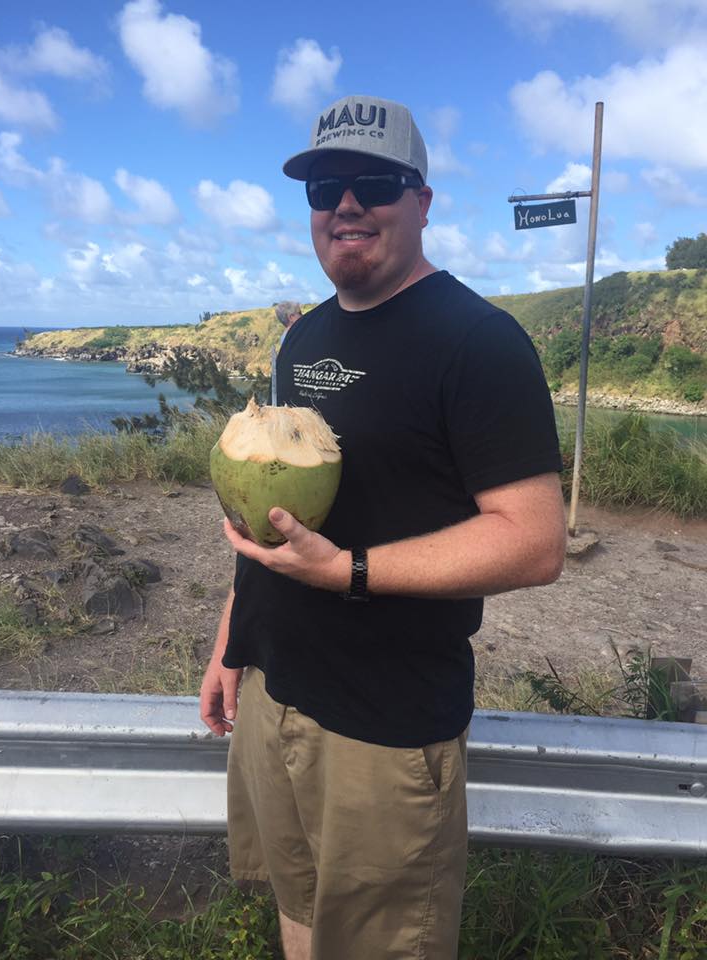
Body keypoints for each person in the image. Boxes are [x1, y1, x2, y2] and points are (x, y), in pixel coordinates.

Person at [200, 94, 566, 960]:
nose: (346, 205)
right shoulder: (302, 338)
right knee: (298, 916)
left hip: (385, 723)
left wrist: (350, 572)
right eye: (326, 187)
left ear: (423, 200)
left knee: (378, 945)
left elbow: (534, 539)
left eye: (374, 183)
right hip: (276, 692)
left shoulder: (479, 343)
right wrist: (229, 644)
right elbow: (269, 522)